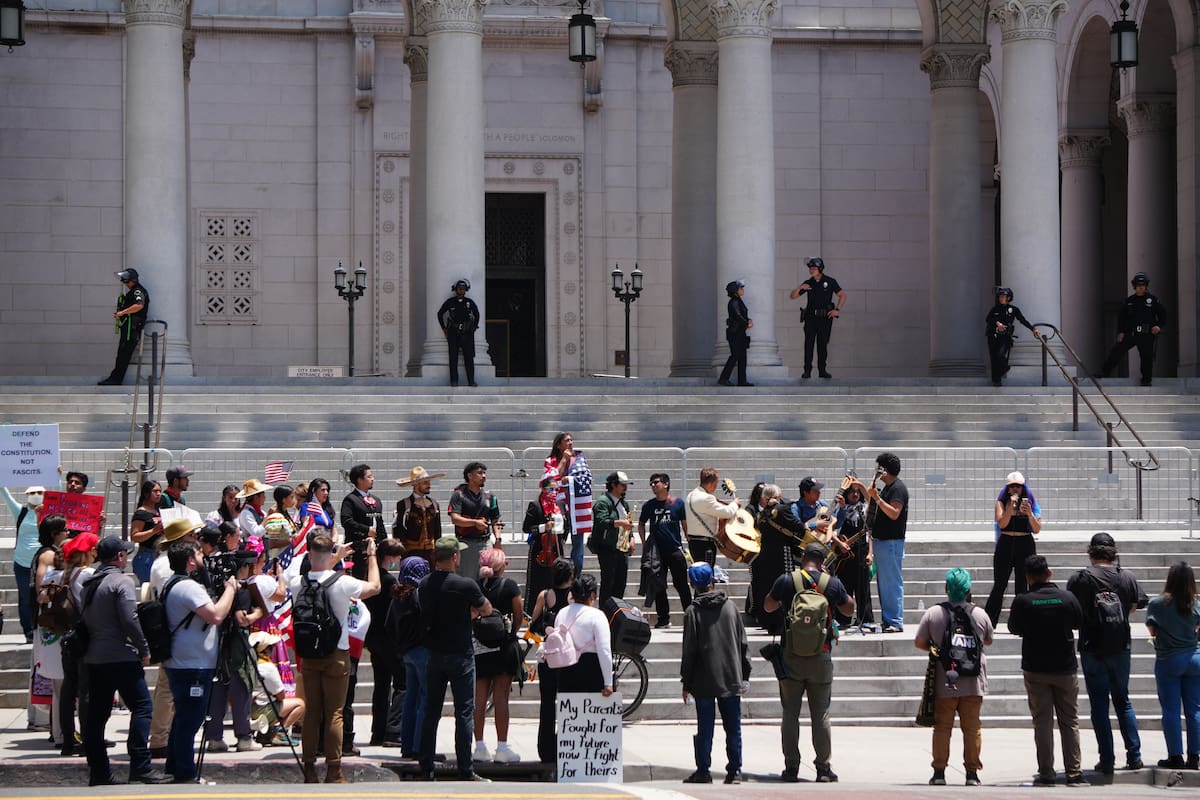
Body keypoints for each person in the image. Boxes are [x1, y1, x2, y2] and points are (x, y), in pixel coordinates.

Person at [288, 533, 381, 783]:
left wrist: (330, 557)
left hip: (308, 656)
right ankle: (333, 769)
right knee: (334, 713)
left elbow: (316, 572)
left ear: (309, 555)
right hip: (336, 654)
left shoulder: (297, 583)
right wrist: (371, 555)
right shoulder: (343, 583)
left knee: (312, 712)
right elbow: (375, 587)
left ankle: (309, 768)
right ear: (331, 555)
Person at [79, 536, 170, 785]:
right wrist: (143, 648)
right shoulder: (122, 581)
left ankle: (99, 771)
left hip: (95, 657)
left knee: (97, 716)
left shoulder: (89, 582)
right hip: (121, 655)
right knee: (142, 708)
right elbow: (130, 619)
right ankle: (140, 766)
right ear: (119, 556)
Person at [762, 542, 854, 783]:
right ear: (822, 560)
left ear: (802, 558)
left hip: (790, 655)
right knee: (821, 714)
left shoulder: (786, 580)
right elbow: (849, 610)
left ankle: (791, 767)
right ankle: (823, 768)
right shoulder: (831, 583)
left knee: (790, 713)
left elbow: (767, 605)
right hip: (820, 655)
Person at [1066, 532, 1147, 774]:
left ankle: (1107, 759)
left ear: (1091, 552)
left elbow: (1073, 611)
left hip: (1092, 646)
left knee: (1099, 704)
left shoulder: (1080, 578)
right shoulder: (1127, 576)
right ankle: (1135, 756)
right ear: (1113, 553)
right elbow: (1137, 603)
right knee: (1123, 701)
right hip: (1121, 646)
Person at [161, 541, 238, 784]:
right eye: (197, 553)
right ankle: (185, 773)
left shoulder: (174, 583)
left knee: (184, 718)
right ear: (190, 561)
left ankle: (175, 769)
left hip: (184, 662)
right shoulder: (187, 587)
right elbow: (215, 615)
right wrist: (231, 590)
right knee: (190, 720)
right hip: (192, 665)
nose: (202, 556)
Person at [417, 536, 493, 782]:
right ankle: (465, 768)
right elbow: (487, 608)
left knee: (431, 711)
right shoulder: (465, 585)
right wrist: (469, 612)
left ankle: (426, 767)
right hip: (460, 654)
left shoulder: (425, 584)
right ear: (454, 557)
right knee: (464, 712)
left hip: (434, 653)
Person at [1007, 554, 1084, 786]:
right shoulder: (1067, 598)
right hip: (1065, 668)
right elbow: (1079, 622)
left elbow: (1013, 627)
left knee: (1042, 722)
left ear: (1028, 577)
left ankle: (1047, 773)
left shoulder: (1023, 601)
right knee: (1069, 721)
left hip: (1036, 668)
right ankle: (1074, 773)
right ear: (1049, 573)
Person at [914, 567, 994, 786]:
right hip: (973, 682)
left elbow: (919, 642)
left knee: (942, 728)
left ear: (947, 589)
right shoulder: (979, 614)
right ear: (969, 590)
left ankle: (939, 773)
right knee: (972, 729)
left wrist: (938, 649)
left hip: (944, 681)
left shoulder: (933, 613)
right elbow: (988, 640)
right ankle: (972, 774)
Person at [680, 561, 750, 785]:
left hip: (703, 678)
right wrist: (744, 674)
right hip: (730, 675)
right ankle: (735, 770)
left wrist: (686, 681)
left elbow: (689, 650)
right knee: (733, 726)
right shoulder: (730, 607)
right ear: (712, 580)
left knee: (705, 726)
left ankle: (703, 768)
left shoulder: (693, 611)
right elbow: (742, 643)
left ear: (692, 583)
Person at [201, 547, 266, 755]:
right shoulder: (243, 590)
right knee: (242, 690)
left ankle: (214, 737)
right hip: (238, 646)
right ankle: (244, 737)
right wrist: (256, 614)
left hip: (218, 644)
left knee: (218, 691)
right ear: (247, 566)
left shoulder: (222, 587)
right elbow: (241, 619)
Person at [1145, 562, 1200, 770]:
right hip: (1194, 658)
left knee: (1171, 710)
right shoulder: (1195, 603)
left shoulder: (1158, 604)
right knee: (1195, 710)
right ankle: (1194, 757)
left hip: (1169, 659)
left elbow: (1152, 629)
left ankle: (1175, 755)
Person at [472, 547, 525, 764]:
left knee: (479, 699)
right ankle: (502, 747)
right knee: (502, 698)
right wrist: (510, 633)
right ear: (501, 565)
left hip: (480, 647)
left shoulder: (476, 586)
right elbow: (519, 615)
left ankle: (479, 747)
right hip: (504, 647)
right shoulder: (510, 586)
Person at [530, 557, 574, 764]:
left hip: (548, 655)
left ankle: (545, 749)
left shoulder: (545, 595)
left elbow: (533, 625)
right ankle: (564, 745)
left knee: (547, 703)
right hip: (568, 658)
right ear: (571, 576)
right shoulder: (575, 598)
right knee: (567, 702)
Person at [387, 556, 431, 759]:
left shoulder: (398, 596)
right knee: (424, 698)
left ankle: (407, 745)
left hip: (406, 653)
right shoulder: (420, 595)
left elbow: (388, 625)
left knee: (411, 698)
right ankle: (420, 745)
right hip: (422, 649)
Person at [984, 471, 1042, 626]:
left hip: (1025, 544)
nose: (1015, 489)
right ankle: (989, 622)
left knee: (1022, 585)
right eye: (1012, 486)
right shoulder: (1001, 503)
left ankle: (1020, 622)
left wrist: (1029, 514)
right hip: (1006, 543)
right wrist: (1010, 507)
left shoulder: (1031, 502)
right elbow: (1002, 523)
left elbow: (1037, 529)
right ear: (1008, 488)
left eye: (1018, 486)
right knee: (1000, 584)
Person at [364, 539, 406, 747]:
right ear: (389, 557)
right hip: (388, 638)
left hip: (372, 637)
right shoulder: (389, 581)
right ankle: (393, 729)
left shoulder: (371, 578)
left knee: (381, 685)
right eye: (397, 556)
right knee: (402, 682)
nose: (398, 560)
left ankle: (377, 731)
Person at [749, 484, 805, 633]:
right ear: (778, 496)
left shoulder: (760, 515)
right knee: (784, 586)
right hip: (782, 554)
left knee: (767, 587)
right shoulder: (782, 510)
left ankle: (768, 621)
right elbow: (798, 526)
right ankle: (783, 621)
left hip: (765, 556)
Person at [638, 472, 692, 629]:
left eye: (656, 482)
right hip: (656, 553)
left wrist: (688, 541)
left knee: (681, 584)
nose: (653, 486)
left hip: (674, 549)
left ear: (666, 484)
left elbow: (684, 524)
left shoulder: (678, 503)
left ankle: (690, 616)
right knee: (658, 585)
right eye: (651, 483)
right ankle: (663, 619)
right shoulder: (649, 505)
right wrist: (644, 543)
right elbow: (641, 524)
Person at [864, 453, 908, 633]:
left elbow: (894, 513)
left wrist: (877, 498)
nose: (877, 472)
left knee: (891, 583)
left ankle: (895, 621)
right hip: (883, 541)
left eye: (879, 468)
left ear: (885, 469)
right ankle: (888, 619)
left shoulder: (898, 488)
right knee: (885, 584)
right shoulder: (888, 487)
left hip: (891, 542)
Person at [1100, 272, 1168, 386]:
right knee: (1117, 351)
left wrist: (1159, 326)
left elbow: (1163, 315)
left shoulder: (1153, 300)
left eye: (1143, 285)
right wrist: (1121, 332)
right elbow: (1122, 318)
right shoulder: (1129, 301)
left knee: (1146, 358)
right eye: (1138, 285)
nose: (1140, 287)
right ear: (1134, 286)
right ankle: (1105, 371)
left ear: (1146, 286)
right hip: (1131, 334)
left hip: (1146, 334)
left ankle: (1146, 380)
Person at [553, 574, 614, 697]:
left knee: (570, 714)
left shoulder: (562, 613)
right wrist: (608, 682)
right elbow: (604, 650)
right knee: (592, 714)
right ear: (592, 595)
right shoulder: (597, 615)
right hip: (592, 670)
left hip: (566, 669)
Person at [543, 432, 592, 576]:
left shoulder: (579, 459)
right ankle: (559, 574)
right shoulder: (550, 460)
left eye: (571, 440)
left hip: (576, 506)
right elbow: (549, 482)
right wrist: (563, 460)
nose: (570, 443)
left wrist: (569, 480)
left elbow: (586, 479)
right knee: (557, 541)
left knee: (578, 543)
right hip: (558, 506)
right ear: (559, 445)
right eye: (566, 440)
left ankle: (576, 576)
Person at [830, 480, 876, 632]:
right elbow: (831, 530)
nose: (855, 494)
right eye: (852, 491)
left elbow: (870, 533)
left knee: (863, 587)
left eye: (857, 492)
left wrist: (870, 553)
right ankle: (843, 619)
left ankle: (865, 618)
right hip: (844, 554)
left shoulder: (864, 509)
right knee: (844, 586)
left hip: (861, 551)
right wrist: (840, 544)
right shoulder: (839, 510)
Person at [789, 257, 844, 379]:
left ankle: (822, 370)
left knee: (822, 345)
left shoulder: (830, 281)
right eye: (810, 268)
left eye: (814, 268)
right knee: (809, 345)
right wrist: (800, 288)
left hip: (825, 318)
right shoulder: (809, 283)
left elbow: (842, 295)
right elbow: (792, 296)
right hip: (811, 318)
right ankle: (807, 371)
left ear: (820, 269)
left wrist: (837, 309)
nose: (811, 270)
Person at [3, 484, 45, 642]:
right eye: (32, 492)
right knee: (26, 598)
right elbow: (5, 494)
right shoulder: (20, 511)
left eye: (39, 492)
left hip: (42, 562)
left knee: (43, 595)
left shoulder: (49, 511)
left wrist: (56, 476)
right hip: (21, 563)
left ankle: (43, 627)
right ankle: (28, 631)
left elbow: (58, 491)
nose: (36, 495)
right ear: (27, 495)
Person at [448, 462, 503, 581]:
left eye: (484, 473)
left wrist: (498, 539)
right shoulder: (459, 495)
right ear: (469, 476)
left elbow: (495, 520)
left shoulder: (490, 497)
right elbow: (455, 518)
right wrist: (474, 522)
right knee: (468, 580)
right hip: (466, 544)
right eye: (479, 473)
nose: (483, 476)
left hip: (486, 543)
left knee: (488, 578)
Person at [523, 476, 569, 616]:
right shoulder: (535, 505)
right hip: (540, 549)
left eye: (556, 489)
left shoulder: (560, 505)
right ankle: (530, 615)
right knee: (536, 583)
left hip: (557, 548)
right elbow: (527, 528)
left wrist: (563, 536)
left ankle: (555, 613)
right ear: (543, 489)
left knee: (557, 581)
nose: (554, 492)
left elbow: (567, 524)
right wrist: (544, 527)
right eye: (551, 489)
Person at [590, 471, 636, 604]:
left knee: (620, 583)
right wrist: (620, 523)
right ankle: (606, 613)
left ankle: (617, 613)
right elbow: (601, 521)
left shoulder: (624, 504)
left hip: (622, 549)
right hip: (607, 548)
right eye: (622, 485)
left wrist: (631, 538)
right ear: (613, 485)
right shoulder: (603, 502)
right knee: (608, 583)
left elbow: (628, 522)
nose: (625, 488)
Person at [98, 268, 149, 386]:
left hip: (132, 330)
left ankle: (115, 380)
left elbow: (139, 305)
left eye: (126, 281)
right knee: (121, 354)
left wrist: (122, 312)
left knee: (123, 355)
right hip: (128, 329)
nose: (124, 284)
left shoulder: (137, 291)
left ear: (133, 280)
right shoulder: (133, 291)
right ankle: (114, 378)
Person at [684, 467, 740, 567]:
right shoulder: (707, 498)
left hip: (693, 543)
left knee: (698, 575)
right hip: (705, 545)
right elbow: (727, 512)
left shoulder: (691, 495)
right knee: (706, 576)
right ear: (712, 483)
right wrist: (735, 504)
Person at [984, 287, 1040, 386]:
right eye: (1000, 296)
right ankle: (996, 380)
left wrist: (1033, 329)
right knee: (994, 358)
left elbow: (1022, 320)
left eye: (1003, 296)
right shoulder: (995, 309)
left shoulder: (1014, 309)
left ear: (1009, 298)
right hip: (992, 335)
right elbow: (988, 319)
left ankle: (1004, 368)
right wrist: (997, 323)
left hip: (1005, 336)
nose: (1001, 298)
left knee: (1000, 355)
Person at [393, 466, 445, 564]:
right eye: (425, 482)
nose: (429, 485)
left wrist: (438, 551)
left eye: (429, 482)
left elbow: (438, 530)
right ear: (416, 484)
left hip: (430, 553)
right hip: (410, 553)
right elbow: (399, 530)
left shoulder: (434, 503)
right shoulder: (404, 504)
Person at [340, 464, 384, 580]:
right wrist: (366, 530)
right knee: (358, 580)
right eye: (369, 476)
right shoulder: (350, 500)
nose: (373, 479)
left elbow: (380, 524)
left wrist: (384, 544)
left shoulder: (376, 500)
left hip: (375, 550)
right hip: (357, 550)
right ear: (359, 480)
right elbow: (346, 521)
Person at [438, 278, 481, 387]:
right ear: (455, 290)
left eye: (463, 289)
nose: (461, 291)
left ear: (465, 290)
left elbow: (477, 314)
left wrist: (474, 326)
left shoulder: (469, 302)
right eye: (459, 289)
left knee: (469, 358)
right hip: (453, 332)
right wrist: (444, 328)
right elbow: (440, 313)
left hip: (467, 333)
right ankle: (454, 381)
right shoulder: (450, 302)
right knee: (453, 358)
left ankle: (471, 381)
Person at [717, 279, 753, 387]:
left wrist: (748, 320)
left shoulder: (738, 301)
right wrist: (747, 323)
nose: (742, 290)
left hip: (740, 333)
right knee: (735, 356)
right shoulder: (734, 302)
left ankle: (742, 381)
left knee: (742, 357)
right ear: (735, 291)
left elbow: (742, 315)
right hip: (735, 333)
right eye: (741, 288)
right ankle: (723, 378)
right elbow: (738, 316)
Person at [128, 479, 165, 583]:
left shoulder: (158, 511)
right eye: (155, 491)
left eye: (159, 491)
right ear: (146, 493)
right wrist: (153, 531)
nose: (158, 494)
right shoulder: (141, 513)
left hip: (158, 553)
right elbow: (135, 536)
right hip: (146, 556)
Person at [262, 484, 300, 554]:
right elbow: (271, 543)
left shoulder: (284, 511)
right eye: (291, 497)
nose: (294, 500)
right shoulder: (275, 513)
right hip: (277, 556)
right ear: (284, 499)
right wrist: (293, 540)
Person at [235, 478, 271, 547]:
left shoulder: (262, 513)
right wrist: (268, 518)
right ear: (256, 497)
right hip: (252, 552)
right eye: (263, 495)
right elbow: (256, 534)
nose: (265, 497)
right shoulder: (246, 513)